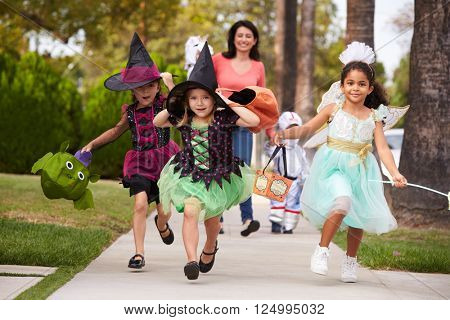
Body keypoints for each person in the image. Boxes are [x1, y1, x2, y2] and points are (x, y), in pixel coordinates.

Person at [274, 42, 408, 282]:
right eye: (350, 83)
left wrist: (394, 172)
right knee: (343, 201)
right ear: (342, 85)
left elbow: (383, 149)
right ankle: (322, 250)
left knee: (358, 215)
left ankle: (350, 261)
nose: (355, 88)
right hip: (333, 165)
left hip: (361, 167)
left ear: (369, 88)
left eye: (361, 84)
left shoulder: (374, 116)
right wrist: (285, 134)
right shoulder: (332, 110)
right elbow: (307, 128)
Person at [153, 43, 260, 280]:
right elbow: (158, 122)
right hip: (190, 174)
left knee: (213, 221)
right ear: (188, 101)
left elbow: (253, 120)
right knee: (190, 212)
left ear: (213, 99)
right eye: (193, 98)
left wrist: (228, 100)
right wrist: (175, 99)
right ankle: (191, 260)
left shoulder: (224, 117)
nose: (199, 103)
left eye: (205, 98)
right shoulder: (184, 118)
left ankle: (210, 246)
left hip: (220, 176)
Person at [81, 33, 180, 269]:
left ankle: (162, 224)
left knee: (165, 210)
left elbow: (182, 106)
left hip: (165, 161)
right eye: (139, 88)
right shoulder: (131, 113)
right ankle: (139, 253)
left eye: (150, 86)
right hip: (139, 163)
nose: (145, 91)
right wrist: (92, 144)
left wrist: (170, 85)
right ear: (131, 91)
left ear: (157, 87)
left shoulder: (165, 105)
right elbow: (115, 131)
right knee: (139, 204)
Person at [212, 20, 271, 237]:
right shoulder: (218, 59)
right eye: (240, 35)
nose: (244, 39)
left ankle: (247, 219)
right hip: (219, 122)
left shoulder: (258, 66)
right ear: (233, 38)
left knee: (242, 171)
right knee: (217, 169)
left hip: (245, 123)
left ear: (254, 40)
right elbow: (203, 84)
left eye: (248, 36)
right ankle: (216, 219)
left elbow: (263, 99)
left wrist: (271, 132)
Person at [264, 112, 309, 234]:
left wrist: (305, 178)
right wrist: (271, 143)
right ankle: (276, 224)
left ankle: (289, 226)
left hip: (295, 181)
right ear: (283, 129)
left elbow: (304, 165)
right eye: (289, 129)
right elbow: (269, 152)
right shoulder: (279, 146)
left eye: (296, 129)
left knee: (293, 204)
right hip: (279, 178)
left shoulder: (300, 150)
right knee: (277, 202)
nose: (292, 132)